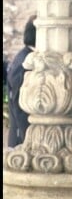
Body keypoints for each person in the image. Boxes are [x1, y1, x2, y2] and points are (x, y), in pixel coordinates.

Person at [6, 14, 36, 148]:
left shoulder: (26, 58)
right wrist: (29, 142)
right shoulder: (24, 63)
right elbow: (20, 108)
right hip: (22, 141)